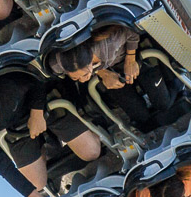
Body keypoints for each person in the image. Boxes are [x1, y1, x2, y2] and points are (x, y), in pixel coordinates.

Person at [48, 26, 183, 131]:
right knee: (140, 117)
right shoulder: (57, 65)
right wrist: (102, 73)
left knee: (163, 104)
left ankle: (174, 81)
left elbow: (131, 31)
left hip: (126, 58)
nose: (82, 80)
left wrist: (130, 59)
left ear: (91, 61)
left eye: (84, 75)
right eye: (76, 78)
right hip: (110, 73)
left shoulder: (108, 44)